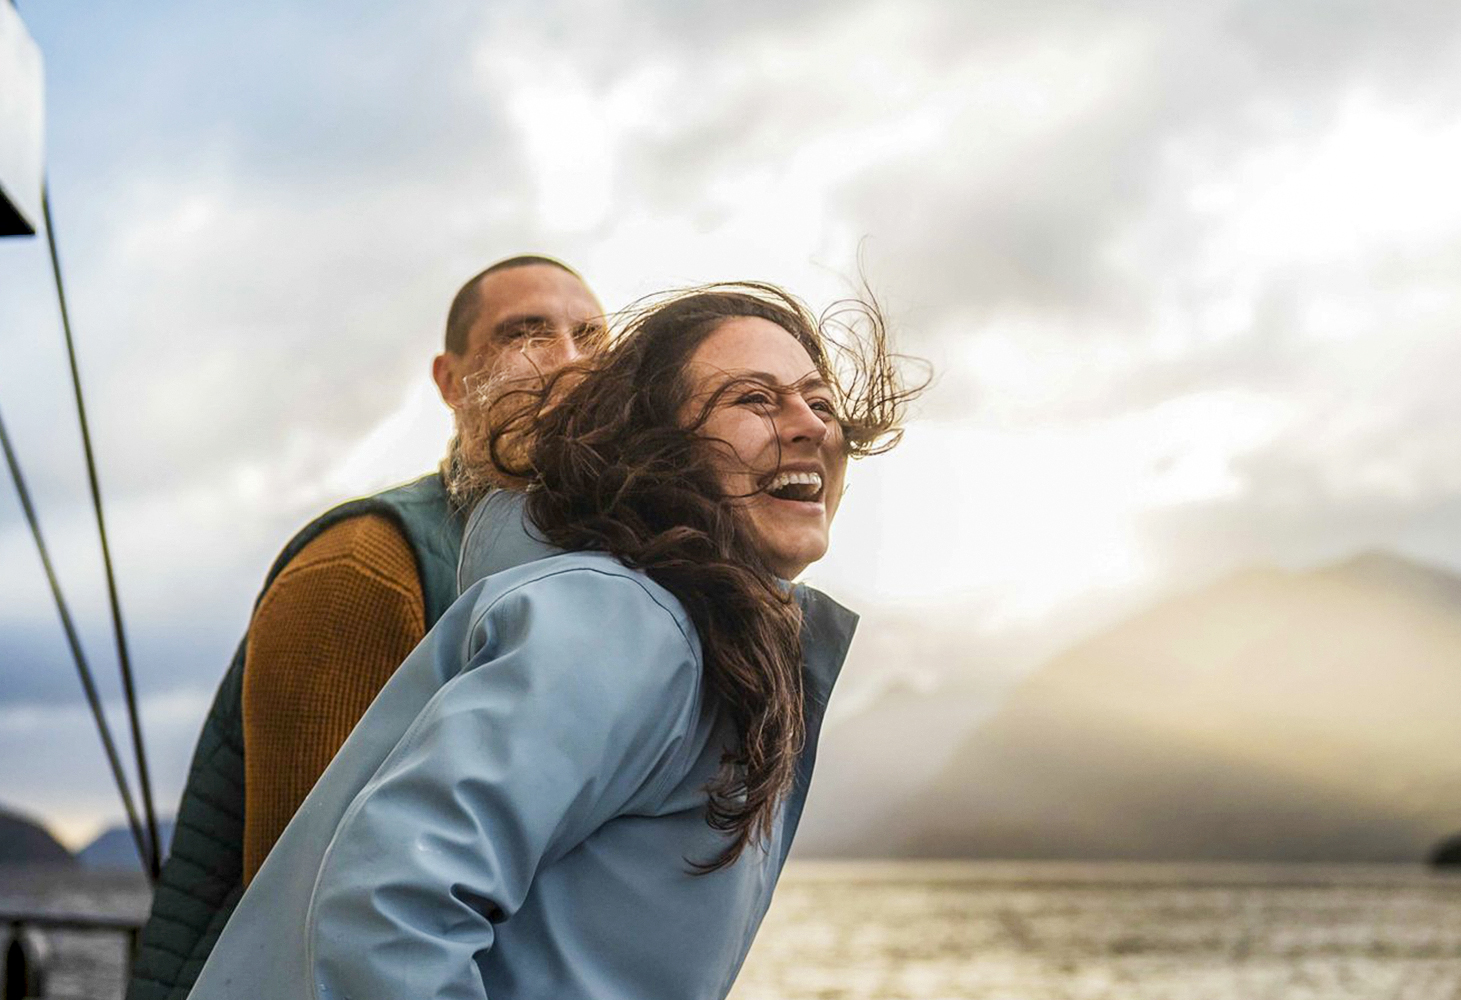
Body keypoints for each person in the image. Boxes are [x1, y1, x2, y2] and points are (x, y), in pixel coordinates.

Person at [185, 283, 920, 1000]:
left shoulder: (695, 639)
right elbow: (388, 902)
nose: (810, 426)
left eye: (820, 403)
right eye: (753, 399)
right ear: (658, 447)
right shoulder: (621, 622)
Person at [128, 255, 606, 1000]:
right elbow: (308, 917)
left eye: (591, 337)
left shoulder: (591, 579)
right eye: (526, 334)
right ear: (450, 382)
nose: (570, 360)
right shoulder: (364, 568)